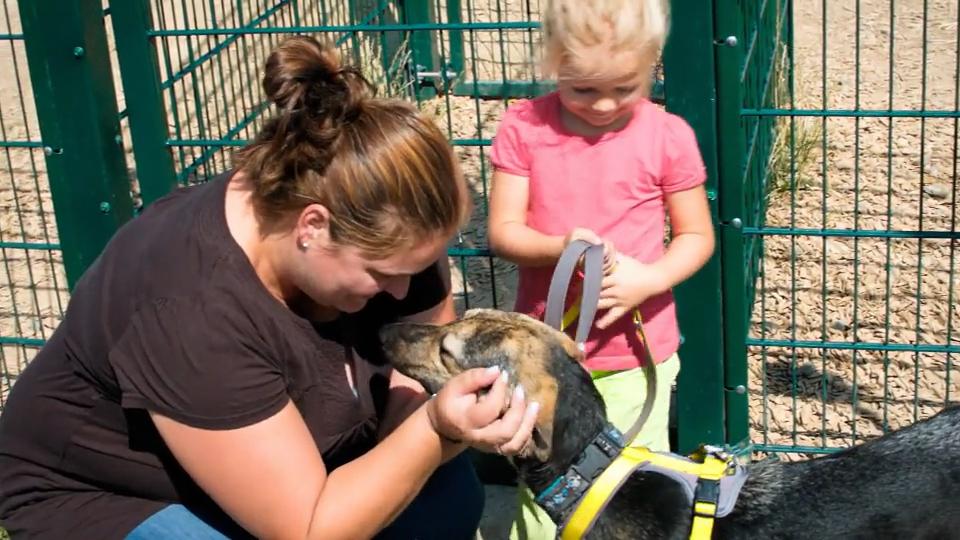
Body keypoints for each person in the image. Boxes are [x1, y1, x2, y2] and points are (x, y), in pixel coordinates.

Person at [0, 35, 539, 540]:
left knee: (444, 502)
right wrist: (432, 429)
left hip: (300, 453)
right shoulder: (191, 307)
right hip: (109, 493)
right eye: (382, 275)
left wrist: (421, 424)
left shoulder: (391, 231)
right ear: (312, 226)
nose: (404, 292)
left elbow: (417, 366)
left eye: (420, 265)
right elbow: (308, 530)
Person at [486, 0, 716, 537]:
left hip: (635, 353)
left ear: (653, 63)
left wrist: (649, 280)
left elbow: (696, 236)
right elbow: (504, 232)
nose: (605, 104)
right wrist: (559, 245)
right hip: (545, 354)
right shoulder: (524, 127)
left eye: (625, 87)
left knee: (634, 485)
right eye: (582, 89)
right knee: (544, 487)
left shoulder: (667, 135)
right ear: (553, 62)